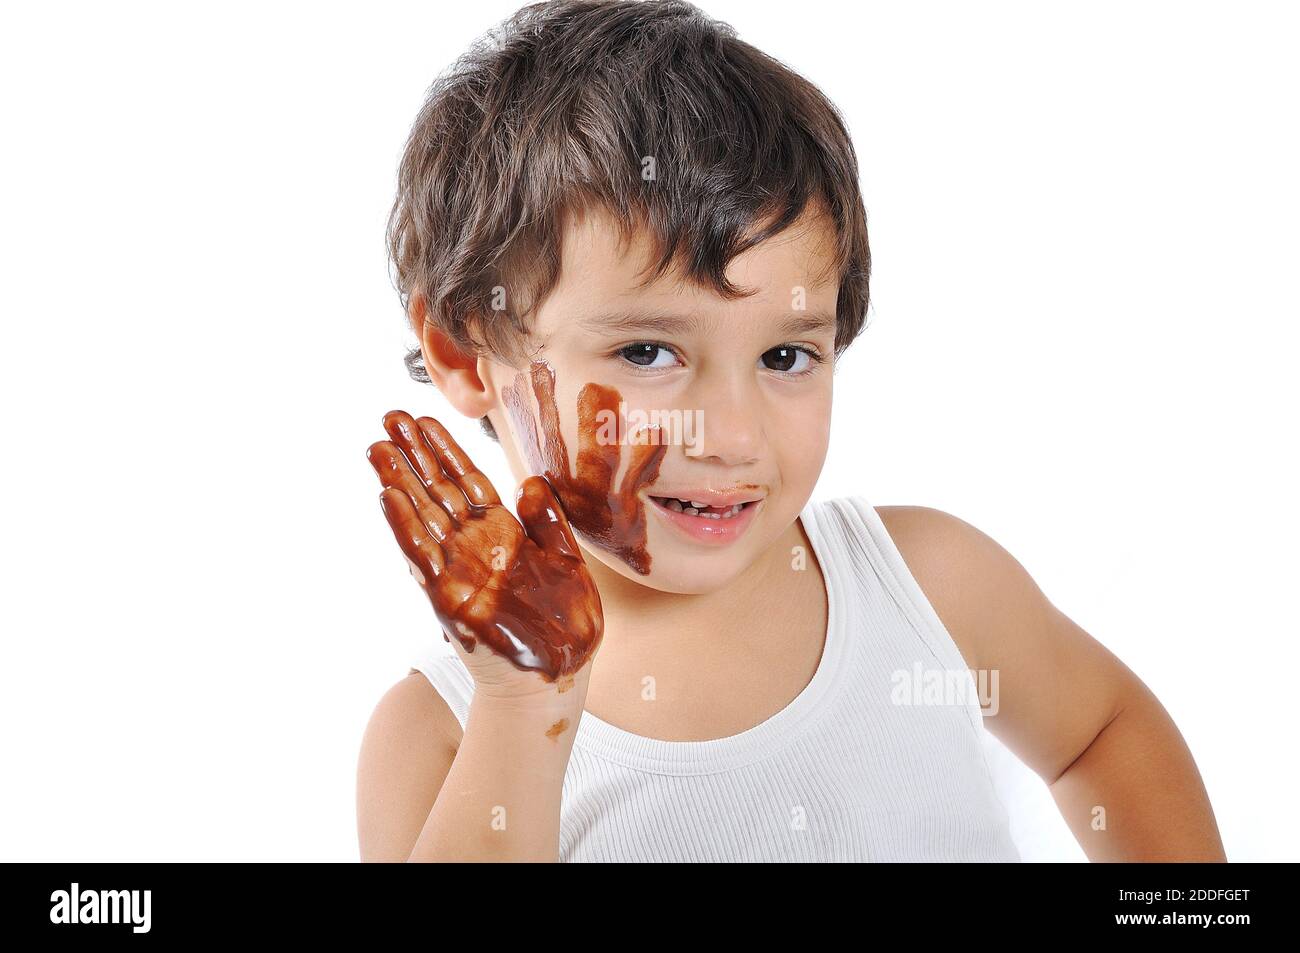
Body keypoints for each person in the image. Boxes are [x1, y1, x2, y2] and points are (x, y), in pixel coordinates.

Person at [355, 0, 1225, 862]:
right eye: (649, 349)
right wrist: (523, 712)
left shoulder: (926, 589)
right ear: (469, 355)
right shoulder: (442, 736)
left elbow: (1099, 733)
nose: (732, 435)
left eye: (784, 356)